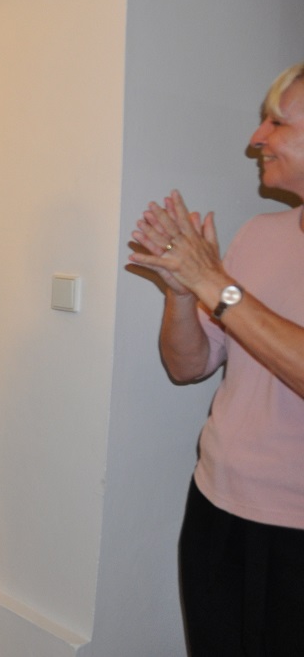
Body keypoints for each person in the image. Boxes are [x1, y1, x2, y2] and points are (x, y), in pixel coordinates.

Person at [128, 62, 304, 655]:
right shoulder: (259, 233)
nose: (257, 138)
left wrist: (216, 285)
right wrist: (183, 291)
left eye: (277, 122)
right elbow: (188, 366)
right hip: (216, 506)